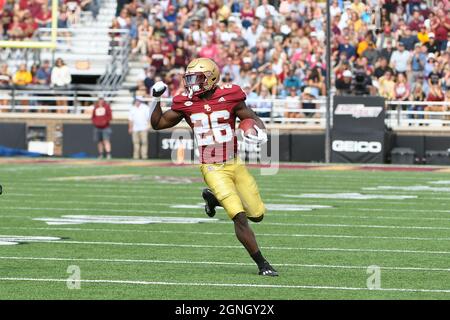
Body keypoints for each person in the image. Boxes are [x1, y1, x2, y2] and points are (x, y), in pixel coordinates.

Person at [150, 58, 277, 277]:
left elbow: (251, 116)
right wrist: (157, 100)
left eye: (197, 79)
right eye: (189, 79)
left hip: (234, 162)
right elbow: (158, 123)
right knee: (239, 216)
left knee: (257, 214)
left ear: (211, 78)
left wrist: (260, 130)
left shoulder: (232, 95)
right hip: (211, 166)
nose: (192, 84)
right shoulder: (185, 102)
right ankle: (262, 264)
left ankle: (214, 198)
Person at [91, 95, 113, 159]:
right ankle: (101, 154)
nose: (100, 101)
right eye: (99, 99)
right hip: (97, 127)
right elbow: (93, 117)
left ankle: (108, 154)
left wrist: (105, 122)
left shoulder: (107, 107)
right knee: (99, 141)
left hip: (105, 127)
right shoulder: (96, 107)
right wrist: (95, 123)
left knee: (106, 140)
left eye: (102, 99)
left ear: (103, 100)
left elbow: (110, 116)